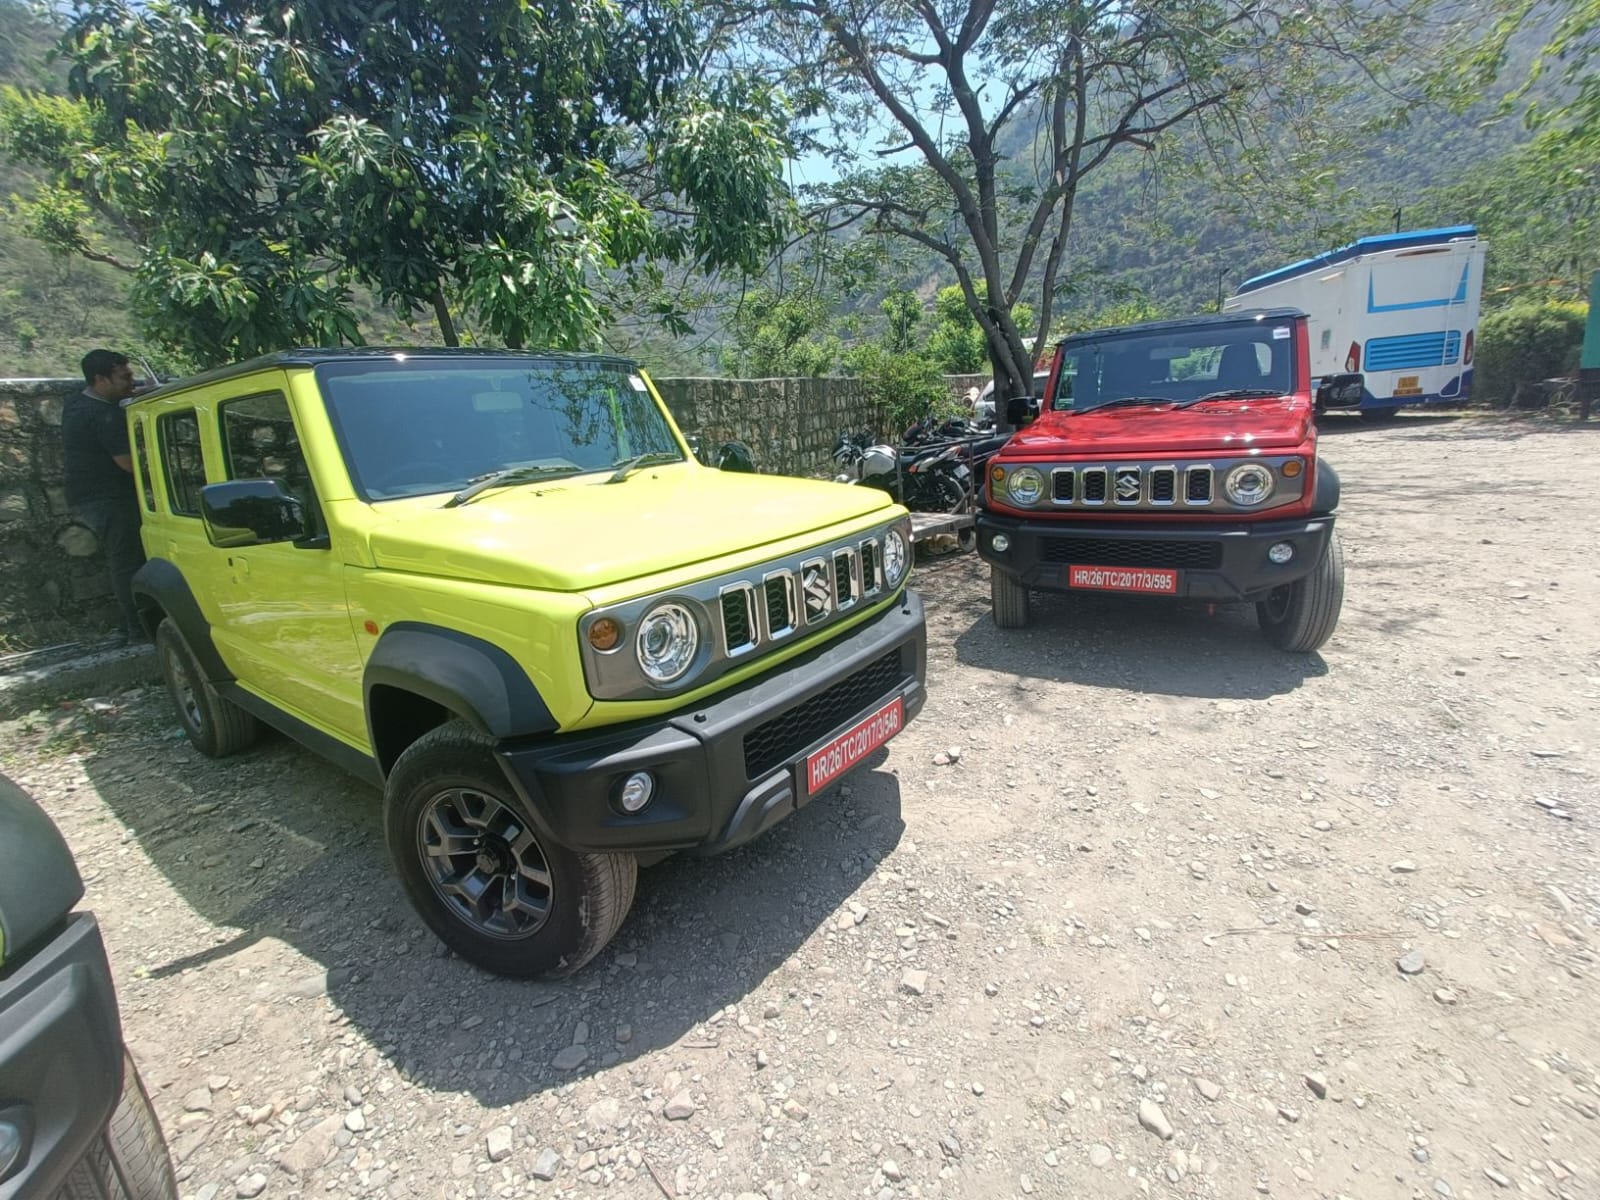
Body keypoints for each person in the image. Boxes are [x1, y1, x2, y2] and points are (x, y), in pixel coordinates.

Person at [63, 349, 147, 645]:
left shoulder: (77, 404)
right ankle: (138, 628)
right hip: (109, 498)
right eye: (124, 377)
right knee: (128, 561)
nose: (131, 382)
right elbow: (128, 463)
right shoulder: (104, 415)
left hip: (87, 497)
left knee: (121, 560)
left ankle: (131, 626)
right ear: (101, 379)